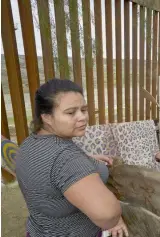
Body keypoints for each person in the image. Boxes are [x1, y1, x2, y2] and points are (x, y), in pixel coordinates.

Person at [15, 79, 129, 237]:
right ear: (46, 117)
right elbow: (107, 215)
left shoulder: (29, 144)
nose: (82, 117)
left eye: (83, 109)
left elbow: (51, 168)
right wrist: (116, 219)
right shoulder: (67, 160)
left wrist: (87, 158)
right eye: (71, 112)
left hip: (39, 230)